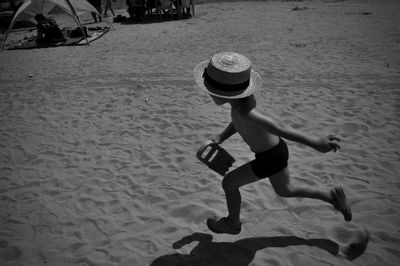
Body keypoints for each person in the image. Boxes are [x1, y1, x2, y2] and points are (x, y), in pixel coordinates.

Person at [193, 52, 352, 235]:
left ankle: (232, 223)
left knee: (229, 184)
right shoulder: (242, 104)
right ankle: (330, 196)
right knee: (286, 190)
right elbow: (238, 123)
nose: (208, 94)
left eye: (211, 91)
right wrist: (222, 137)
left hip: (269, 158)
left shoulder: (246, 112)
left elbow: (279, 128)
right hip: (277, 151)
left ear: (225, 93)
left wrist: (316, 143)